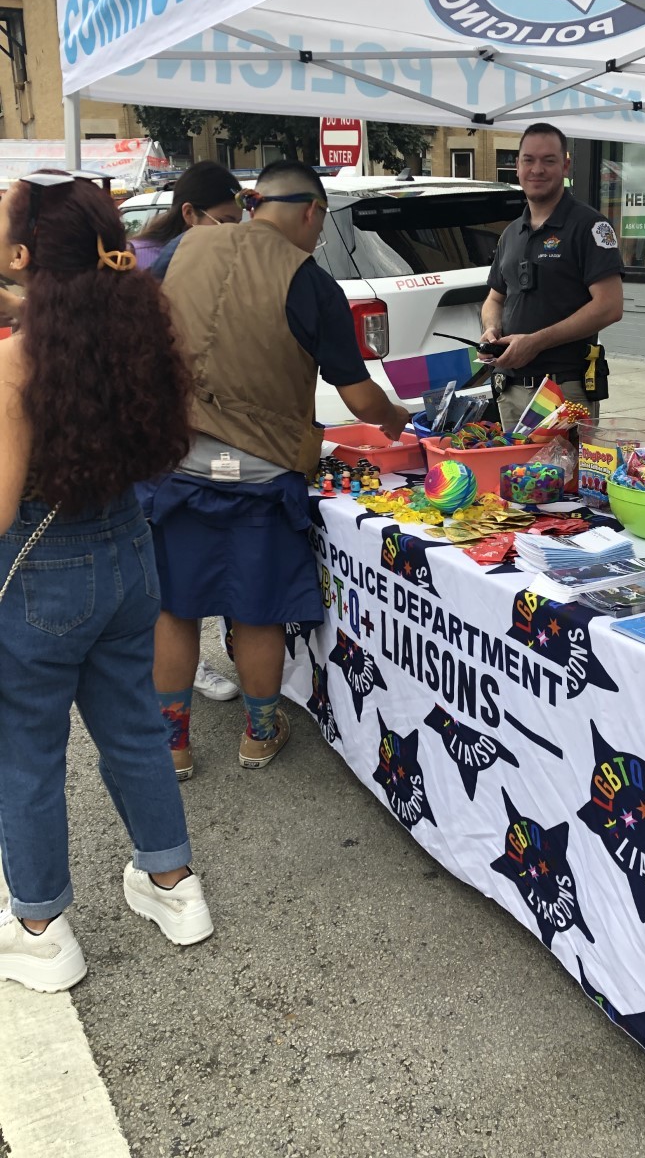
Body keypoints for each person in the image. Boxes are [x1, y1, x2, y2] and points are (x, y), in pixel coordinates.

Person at [0, 173, 213, 993]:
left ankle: (41, 927)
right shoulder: (135, 328)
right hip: (129, 552)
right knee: (130, 725)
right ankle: (172, 885)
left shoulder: (19, 360)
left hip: (44, 574)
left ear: (24, 256)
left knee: (26, 752)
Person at [146, 160, 410, 780]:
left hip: (177, 463)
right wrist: (398, 419)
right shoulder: (310, 281)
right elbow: (359, 398)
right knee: (257, 610)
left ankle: (174, 746)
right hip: (262, 476)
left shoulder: (185, 248)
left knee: (177, 608)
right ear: (310, 212)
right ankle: (259, 736)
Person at [133, 161, 245, 704]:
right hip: (167, 439)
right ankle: (180, 673)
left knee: (181, 572)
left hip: (198, 439)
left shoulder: (203, 257)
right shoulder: (150, 264)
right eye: (223, 221)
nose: (234, 233)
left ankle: (170, 678)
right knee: (175, 582)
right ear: (189, 214)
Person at [479, 122, 624, 432]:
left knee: (563, 481)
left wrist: (536, 342)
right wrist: (491, 330)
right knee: (514, 477)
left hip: (562, 391)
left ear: (566, 165)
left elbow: (610, 306)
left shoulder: (590, 227)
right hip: (509, 390)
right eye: (528, 160)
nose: (537, 169)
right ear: (516, 166)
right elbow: (494, 298)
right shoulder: (510, 234)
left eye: (549, 160)